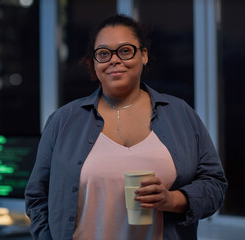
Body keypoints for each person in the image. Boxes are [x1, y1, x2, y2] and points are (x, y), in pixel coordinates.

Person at [25, 14, 227, 240]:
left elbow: (214, 185)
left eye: (124, 50)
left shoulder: (182, 115)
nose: (114, 60)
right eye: (103, 53)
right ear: (94, 62)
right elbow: (36, 197)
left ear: (143, 55)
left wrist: (173, 200)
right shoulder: (62, 121)